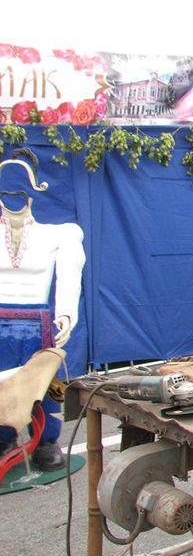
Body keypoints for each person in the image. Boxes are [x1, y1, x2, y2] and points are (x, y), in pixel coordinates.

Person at [0, 160, 86, 471]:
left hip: (38, 323)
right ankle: (4, 438)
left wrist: (65, 315)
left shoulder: (58, 235)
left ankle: (48, 441)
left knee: (44, 385)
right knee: (2, 388)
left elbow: (69, 277)